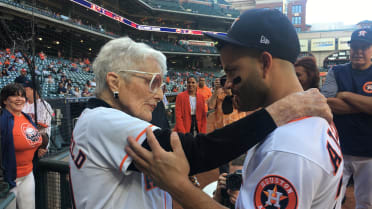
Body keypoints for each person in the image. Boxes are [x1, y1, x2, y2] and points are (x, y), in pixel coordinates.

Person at [70, 36, 332, 209]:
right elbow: (197, 151)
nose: (161, 94)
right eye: (153, 82)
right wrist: (282, 110)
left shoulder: (99, 120)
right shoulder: (103, 121)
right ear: (115, 82)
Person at [126, 9, 343, 209]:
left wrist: (178, 187)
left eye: (232, 71)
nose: (228, 84)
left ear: (265, 63)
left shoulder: (286, 147)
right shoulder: (310, 115)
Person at [321, 28, 372, 209]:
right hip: (337, 148)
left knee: (366, 202)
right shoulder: (337, 70)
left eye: (364, 47)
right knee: (328, 200)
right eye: (355, 47)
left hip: (369, 152)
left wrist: (346, 95)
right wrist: (364, 105)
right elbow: (326, 103)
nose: (358, 51)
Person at [0, 83, 42, 209]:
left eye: (22, 96)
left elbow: (33, 138)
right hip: (8, 178)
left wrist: (39, 148)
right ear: (5, 100)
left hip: (28, 173)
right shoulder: (2, 120)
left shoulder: (26, 117)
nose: (19, 99)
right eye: (14, 96)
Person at [22, 80, 54, 152]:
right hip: (25, 144)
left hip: (40, 145)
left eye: (26, 89)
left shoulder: (44, 105)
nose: (23, 92)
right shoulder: (23, 105)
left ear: (34, 90)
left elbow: (41, 125)